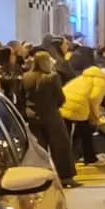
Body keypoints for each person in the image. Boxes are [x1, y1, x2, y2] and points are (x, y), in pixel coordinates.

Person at [24, 50, 79, 188]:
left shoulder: (26, 77)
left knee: (40, 149)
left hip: (33, 117)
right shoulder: (52, 77)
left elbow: (21, 97)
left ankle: (41, 178)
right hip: (51, 116)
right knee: (61, 147)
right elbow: (61, 98)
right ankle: (66, 177)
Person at [61, 63, 105, 166]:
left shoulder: (86, 77)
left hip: (64, 104)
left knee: (67, 135)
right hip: (77, 107)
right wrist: (96, 118)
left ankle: (67, 160)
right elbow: (94, 99)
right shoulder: (101, 81)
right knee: (85, 133)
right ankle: (90, 158)